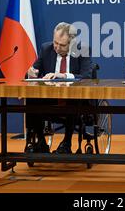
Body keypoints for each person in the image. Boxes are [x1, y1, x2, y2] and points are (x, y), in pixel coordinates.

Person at [25, 22, 92, 154]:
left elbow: (87, 76)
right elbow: (33, 72)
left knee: (73, 98)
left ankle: (66, 143)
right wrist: (30, 72)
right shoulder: (46, 49)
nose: (57, 47)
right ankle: (41, 142)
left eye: (62, 45)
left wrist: (63, 76)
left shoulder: (82, 50)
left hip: (73, 100)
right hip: (49, 99)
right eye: (55, 42)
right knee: (32, 99)